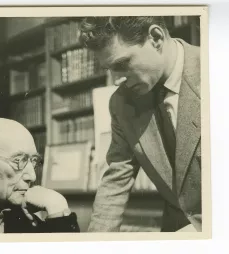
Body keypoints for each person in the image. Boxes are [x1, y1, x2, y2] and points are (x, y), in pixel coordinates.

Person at [79, 16, 201, 232]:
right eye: (110, 69)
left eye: (123, 64)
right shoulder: (121, 102)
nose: (116, 80)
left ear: (156, 37)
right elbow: (115, 182)